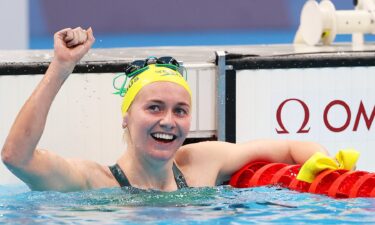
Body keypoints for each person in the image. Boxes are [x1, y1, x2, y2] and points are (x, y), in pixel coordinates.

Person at [1, 27, 328, 192]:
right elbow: (17, 155)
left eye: (180, 110)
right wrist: (61, 66)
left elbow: (290, 147)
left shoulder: (202, 163)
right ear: (126, 116)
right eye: (154, 107)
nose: (168, 121)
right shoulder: (96, 183)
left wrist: (327, 169)